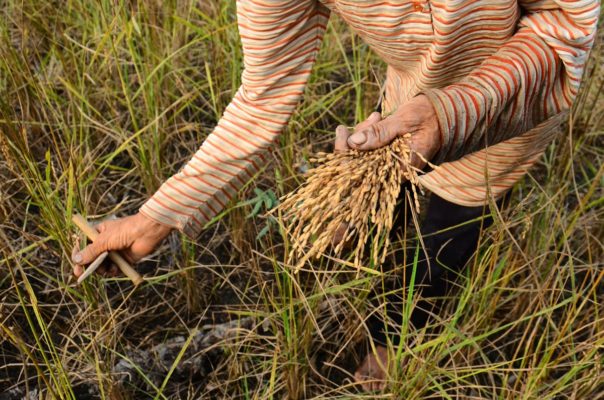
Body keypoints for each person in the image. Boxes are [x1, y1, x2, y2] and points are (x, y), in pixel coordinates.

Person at [71, 0, 599, 391]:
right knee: (388, 220)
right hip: (405, 104)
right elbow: (265, 94)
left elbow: (563, 30)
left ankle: (394, 347)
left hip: (506, 118)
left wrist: (456, 112)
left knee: (441, 245)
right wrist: (156, 219)